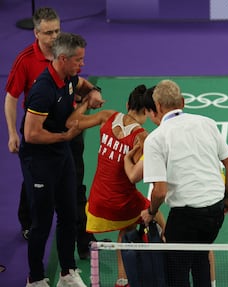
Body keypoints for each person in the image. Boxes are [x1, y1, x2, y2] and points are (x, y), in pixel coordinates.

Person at [4, 7, 96, 259]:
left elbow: (78, 84)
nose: (55, 36)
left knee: (75, 185)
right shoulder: (25, 60)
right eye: (48, 32)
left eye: (57, 30)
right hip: (39, 130)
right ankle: (28, 223)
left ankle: (83, 237)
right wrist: (12, 133)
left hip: (68, 126)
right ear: (36, 33)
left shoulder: (65, 54)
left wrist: (92, 91)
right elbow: (11, 98)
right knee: (34, 183)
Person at [20, 32, 103, 287]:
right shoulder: (43, 89)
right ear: (63, 59)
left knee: (69, 215)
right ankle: (35, 279)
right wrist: (64, 136)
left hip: (62, 155)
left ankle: (67, 272)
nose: (82, 65)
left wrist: (94, 90)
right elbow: (31, 134)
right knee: (41, 223)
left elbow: (81, 84)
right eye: (79, 60)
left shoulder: (68, 77)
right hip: (40, 161)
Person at [140, 79, 228, 287]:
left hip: (185, 217)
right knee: (200, 258)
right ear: (183, 102)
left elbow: (159, 191)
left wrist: (151, 211)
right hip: (215, 211)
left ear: (157, 106)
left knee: (177, 270)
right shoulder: (207, 123)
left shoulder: (156, 139)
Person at [67, 84, 165, 287]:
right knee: (154, 212)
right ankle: (172, 247)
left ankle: (123, 280)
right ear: (147, 110)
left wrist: (85, 102)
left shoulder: (107, 116)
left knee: (128, 224)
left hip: (96, 201)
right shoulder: (142, 137)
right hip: (119, 203)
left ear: (128, 104)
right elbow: (137, 177)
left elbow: (72, 122)